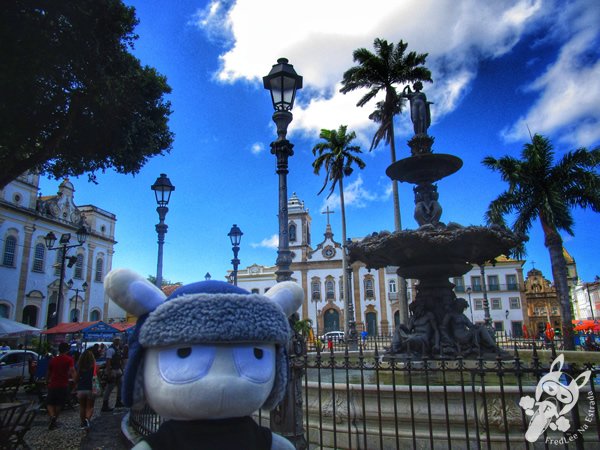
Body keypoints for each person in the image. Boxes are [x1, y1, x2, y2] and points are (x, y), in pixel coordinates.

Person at [47, 342, 76, 430]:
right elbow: (72, 370)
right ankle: (55, 418)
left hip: (52, 384)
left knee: (49, 402)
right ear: (67, 350)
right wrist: (76, 381)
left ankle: (52, 416)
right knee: (59, 403)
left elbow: (48, 372)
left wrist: (46, 380)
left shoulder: (53, 360)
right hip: (63, 384)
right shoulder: (69, 359)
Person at [74, 349, 97, 430]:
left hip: (81, 388)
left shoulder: (79, 366)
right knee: (90, 407)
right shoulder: (94, 366)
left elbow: (76, 378)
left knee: (82, 407)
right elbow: (97, 376)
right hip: (91, 388)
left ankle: (82, 423)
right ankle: (87, 419)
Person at [101, 336, 124, 411]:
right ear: (114, 341)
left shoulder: (117, 349)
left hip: (117, 369)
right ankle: (105, 404)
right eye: (116, 340)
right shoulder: (111, 350)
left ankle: (118, 401)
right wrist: (109, 371)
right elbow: (108, 361)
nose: (118, 341)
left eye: (118, 340)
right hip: (113, 370)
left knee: (120, 385)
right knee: (109, 387)